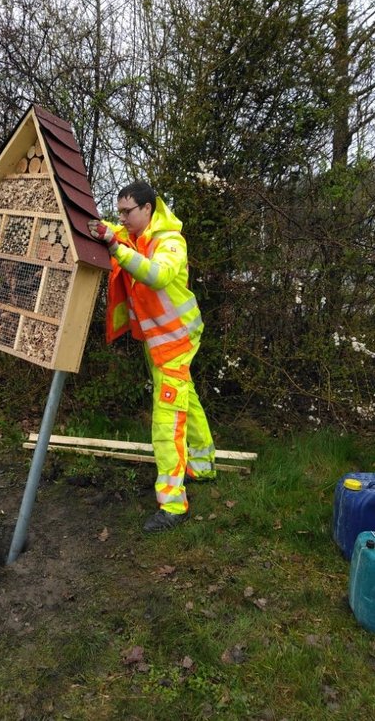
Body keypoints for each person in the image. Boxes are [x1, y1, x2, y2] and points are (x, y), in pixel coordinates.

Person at [88, 180, 216, 532]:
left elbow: (157, 275)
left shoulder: (169, 242)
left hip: (175, 340)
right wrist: (100, 228)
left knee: (166, 421)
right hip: (161, 341)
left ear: (149, 209)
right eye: (120, 213)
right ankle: (203, 465)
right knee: (185, 400)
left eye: (128, 211)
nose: (123, 218)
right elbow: (111, 231)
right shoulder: (135, 237)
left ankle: (173, 505)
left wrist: (115, 247)